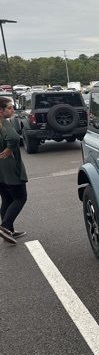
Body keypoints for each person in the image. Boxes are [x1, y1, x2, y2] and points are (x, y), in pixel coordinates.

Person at [0, 96, 28, 244]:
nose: (12, 110)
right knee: (20, 197)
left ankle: (8, 230)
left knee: (6, 198)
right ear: (1, 111)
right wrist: (10, 148)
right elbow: (14, 138)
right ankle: (5, 227)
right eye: (9, 108)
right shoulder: (4, 123)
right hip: (10, 168)